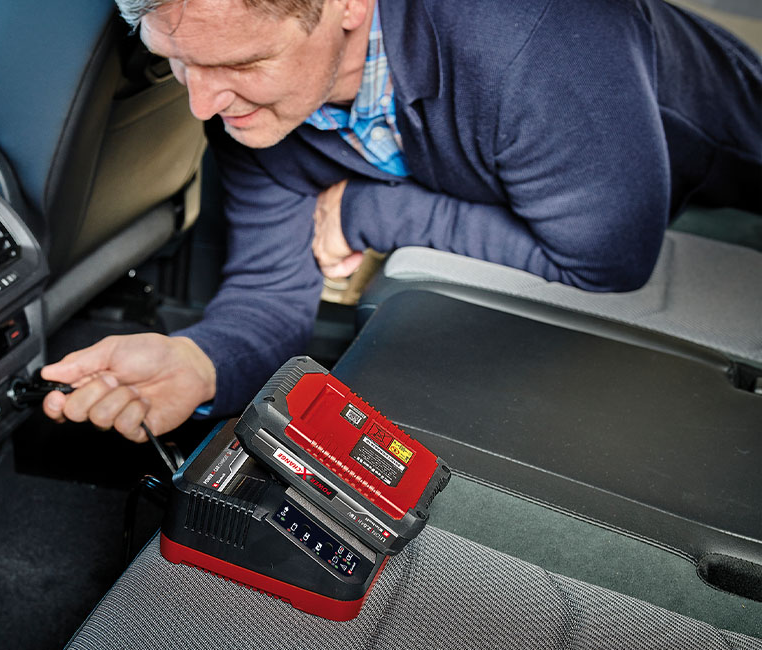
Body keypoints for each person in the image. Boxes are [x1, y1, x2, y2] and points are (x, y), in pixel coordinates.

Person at [42, 0, 762, 441]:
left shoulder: (530, 37)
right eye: (175, 63)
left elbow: (608, 258)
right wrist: (199, 363)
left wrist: (371, 211)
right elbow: (269, 295)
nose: (202, 105)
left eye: (242, 62)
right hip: (560, 170)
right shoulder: (250, 108)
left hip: (722, 153)